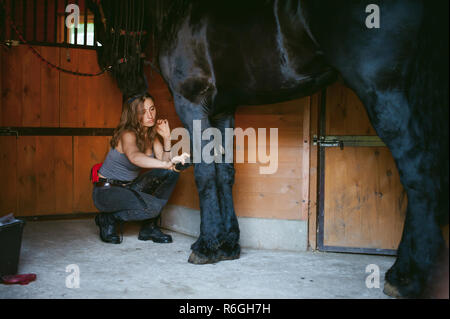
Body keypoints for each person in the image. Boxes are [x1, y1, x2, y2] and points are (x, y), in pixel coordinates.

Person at [92, 92, 185, 244]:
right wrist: (165, 164)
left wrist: (167, 138)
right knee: (154, 207)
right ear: (134, 114)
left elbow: (165, 164)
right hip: (107, 192)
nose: (150, 115)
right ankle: (107, 218)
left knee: (171, 174)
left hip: (130, 188)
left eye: (152, 109)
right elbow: (134, 157)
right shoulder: (127, 134)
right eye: (143, 111)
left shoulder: (152, 136)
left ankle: (148, 227)